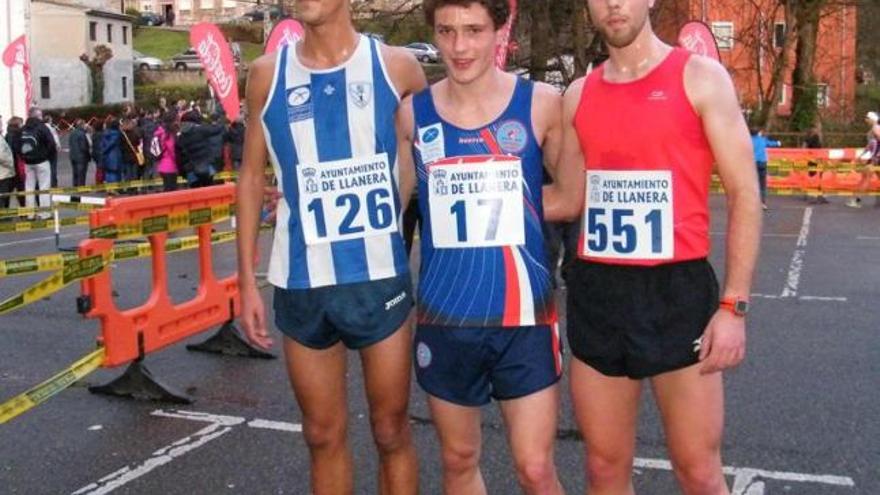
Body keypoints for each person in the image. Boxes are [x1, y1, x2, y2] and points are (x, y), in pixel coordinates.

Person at [544, 0, 762, 493]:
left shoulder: (701, 78)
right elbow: (567, 198)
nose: (613, 5)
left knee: (698, 470)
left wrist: (734, 305)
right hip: (598, 292)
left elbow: (746, 193)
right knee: (603, 467)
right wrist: (485, 192)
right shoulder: (578, 94)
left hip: (676, 292)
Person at [236, 0, 427, 492]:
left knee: (390, 430)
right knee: (321, 434)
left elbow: (425, 147)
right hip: (302, 280)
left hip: (377, 277)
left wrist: (398, 204)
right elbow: (251, 177)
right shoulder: (264, 74)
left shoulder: (396, 66)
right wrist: (246, 283)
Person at [394, 1, 566, 493]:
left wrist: (507, 201)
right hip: (447, 317)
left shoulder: (541, 103)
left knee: (535, 468)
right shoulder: (413, 114)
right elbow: (398, 199)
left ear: (498, 31)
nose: (459, 46)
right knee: (459, 459)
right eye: (446, 31)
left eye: (473, 30)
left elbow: (572, 194)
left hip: (525, 317)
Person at [20, 109, 57, 217]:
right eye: (40, 115)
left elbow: (17, 145)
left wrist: (23, 157)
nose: (42, 117)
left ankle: (30, 214)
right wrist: (47, 156)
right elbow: (51, 143)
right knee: (44, 187)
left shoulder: (23, 128)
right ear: (37, 116)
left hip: (27, 162)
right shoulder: (43, 128)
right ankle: (44, 214)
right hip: (42, 161)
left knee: (29, 187)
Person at [175, 111, 224, 188]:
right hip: (206, 167)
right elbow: (216, 130)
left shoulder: (180, 137)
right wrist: (223, 121)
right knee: (209, 192)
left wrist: (182, 172)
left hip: (190, 170)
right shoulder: (200, 130)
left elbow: (179, 157)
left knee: (196, 195)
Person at [847, 111, 880, 208]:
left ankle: (857, 200)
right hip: (875, 157)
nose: (866, 120)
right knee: (865, 177)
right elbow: (870, 146)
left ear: (872, 119)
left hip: (876, 158)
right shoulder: (873, 129)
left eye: (867, 118)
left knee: (866, 178)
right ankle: (856, 199)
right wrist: (861, 155)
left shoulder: (875, 128)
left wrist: (876, 156)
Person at [750, 126, 780, 210]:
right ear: (758, 133)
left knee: (752, 184)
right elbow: (772, 144)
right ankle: (762, 203)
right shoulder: (762, 140)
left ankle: (752, 203)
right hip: (762, 163)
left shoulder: (748, 140)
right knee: (762, 184)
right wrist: (778, 143)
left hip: (753, 163)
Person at [153, 113, 180, 192]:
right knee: (171, 191)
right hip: (170, 166)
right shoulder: (168, 135)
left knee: (167, 190)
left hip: (163, 165)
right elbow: (172, 151)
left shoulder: (161, 133)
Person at [803, 123, 828, 204]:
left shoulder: (815, 137)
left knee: (819, 177)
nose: (818, 130)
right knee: (815, 177)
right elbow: (804, 146)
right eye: (817, 128)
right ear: (813, 129)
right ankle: (814, 195)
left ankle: (819, 195)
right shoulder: (813, 137)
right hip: (813, 160)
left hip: (817, 159)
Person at [68, 118, 92, 187]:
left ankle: (75, 186)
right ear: (81, 125)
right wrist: (88, 154)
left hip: (73, 156)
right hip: (81, 157)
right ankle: (81, 187)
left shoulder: (72, 133)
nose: (85, 125)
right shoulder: (82, 134)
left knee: (75, 173)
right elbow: (84, 147)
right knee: (81, 174)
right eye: (84, 124)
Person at [120, 117, 144, 184]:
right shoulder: (135, 134)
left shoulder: (122, 135)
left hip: (126, 156)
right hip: (134, 156)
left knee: (128, 173)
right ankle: (134, 187)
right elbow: (138, 143)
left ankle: (128, 187)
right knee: (134, 173)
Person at [100, 117, 124, 184]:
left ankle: (110, 188)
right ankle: (115, 188)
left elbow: (102, 144)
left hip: (107, 156)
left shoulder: (105, 133)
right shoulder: (117, 134)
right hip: (115, 155)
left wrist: (103, 151)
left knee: (108, 173)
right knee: (115, 173)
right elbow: (112, 144)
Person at [43, 114, 61, 187]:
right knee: (53, 167)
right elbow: (55, 138)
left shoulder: (41, 128)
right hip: (52, 150)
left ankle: (47, 183)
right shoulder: (52, 128)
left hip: (44, 150)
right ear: (49, 120)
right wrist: (58, 146)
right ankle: (53, 183)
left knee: (46, 168)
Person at [0, 126, 14, 207]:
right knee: (3, 198)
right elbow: (1, 156)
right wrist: (10, 163)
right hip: (3, 174)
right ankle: (4, 218)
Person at [91, 120, 105, 185]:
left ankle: (99, 183)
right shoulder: (101, 135)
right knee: (100, 170)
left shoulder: (94, 135)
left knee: (99, 169)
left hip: (96, 154)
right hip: (100, 154)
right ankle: (99, 184)